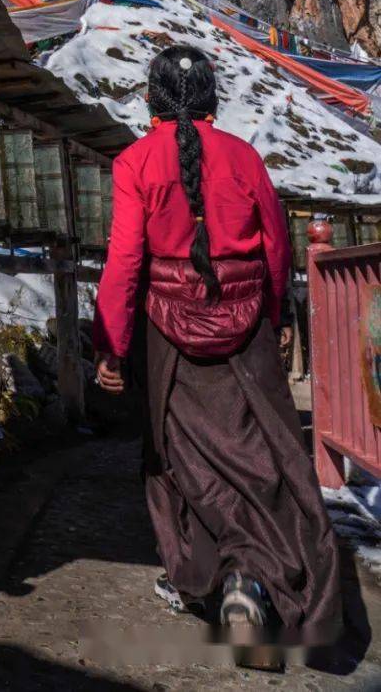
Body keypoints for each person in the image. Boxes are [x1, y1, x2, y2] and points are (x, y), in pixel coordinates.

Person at [93, 43, 341, 650]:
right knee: (264, 455)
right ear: (211, 97)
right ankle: (256, 578)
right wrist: (278, 313)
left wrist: (111, 345)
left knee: (182, 460)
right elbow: (276, 248)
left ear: (153, 100)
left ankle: (213, 580)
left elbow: (126, 261)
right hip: (246, 333)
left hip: (167, 340)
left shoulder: (135, 164)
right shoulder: (244, 157)